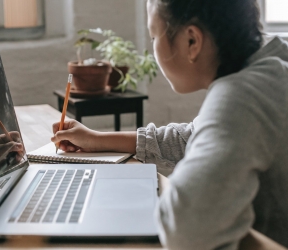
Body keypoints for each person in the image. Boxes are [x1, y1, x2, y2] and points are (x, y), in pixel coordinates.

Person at [51, 0, 288, 249]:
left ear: (192, 42)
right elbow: (194, 137)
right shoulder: (270, 60)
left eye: (154, 35)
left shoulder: (242, 97)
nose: (154, 46)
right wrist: (98, 140)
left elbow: (184, 231)